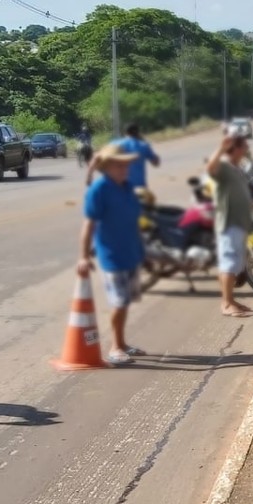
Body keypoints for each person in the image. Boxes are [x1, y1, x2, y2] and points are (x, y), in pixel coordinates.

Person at [77, 143, 147, 365]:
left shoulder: (126, 187)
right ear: (107, 167)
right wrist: (84, 256)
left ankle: (123, 342)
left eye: (126, 164)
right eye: (119, 164)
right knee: (118, 302)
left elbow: (134, 220)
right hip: (112, 255)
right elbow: (88, 225)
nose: (124, 168)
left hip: (130, 252)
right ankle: (115, 348)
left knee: (125, 301)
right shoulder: (100, 189)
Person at [205, 134, 253, 318]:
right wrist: (220, 147)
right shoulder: (224, 166)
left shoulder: (236, 168)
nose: (246, 150)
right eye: (244, 147)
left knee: (235, 264)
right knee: (229, 263)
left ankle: (231, 300)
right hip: (228, 224)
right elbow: (210, 169)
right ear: (235, 148)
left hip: (239, 223)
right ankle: (226, 303)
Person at [86, 122, 160, 188]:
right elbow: (156, 163)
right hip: (140, 188)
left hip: (118, 187)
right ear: (138, 133)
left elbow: (96, 158)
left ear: (126, 132)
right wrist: (144, 142)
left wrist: (89, 175)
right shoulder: (143, 145)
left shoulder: (115, 144)